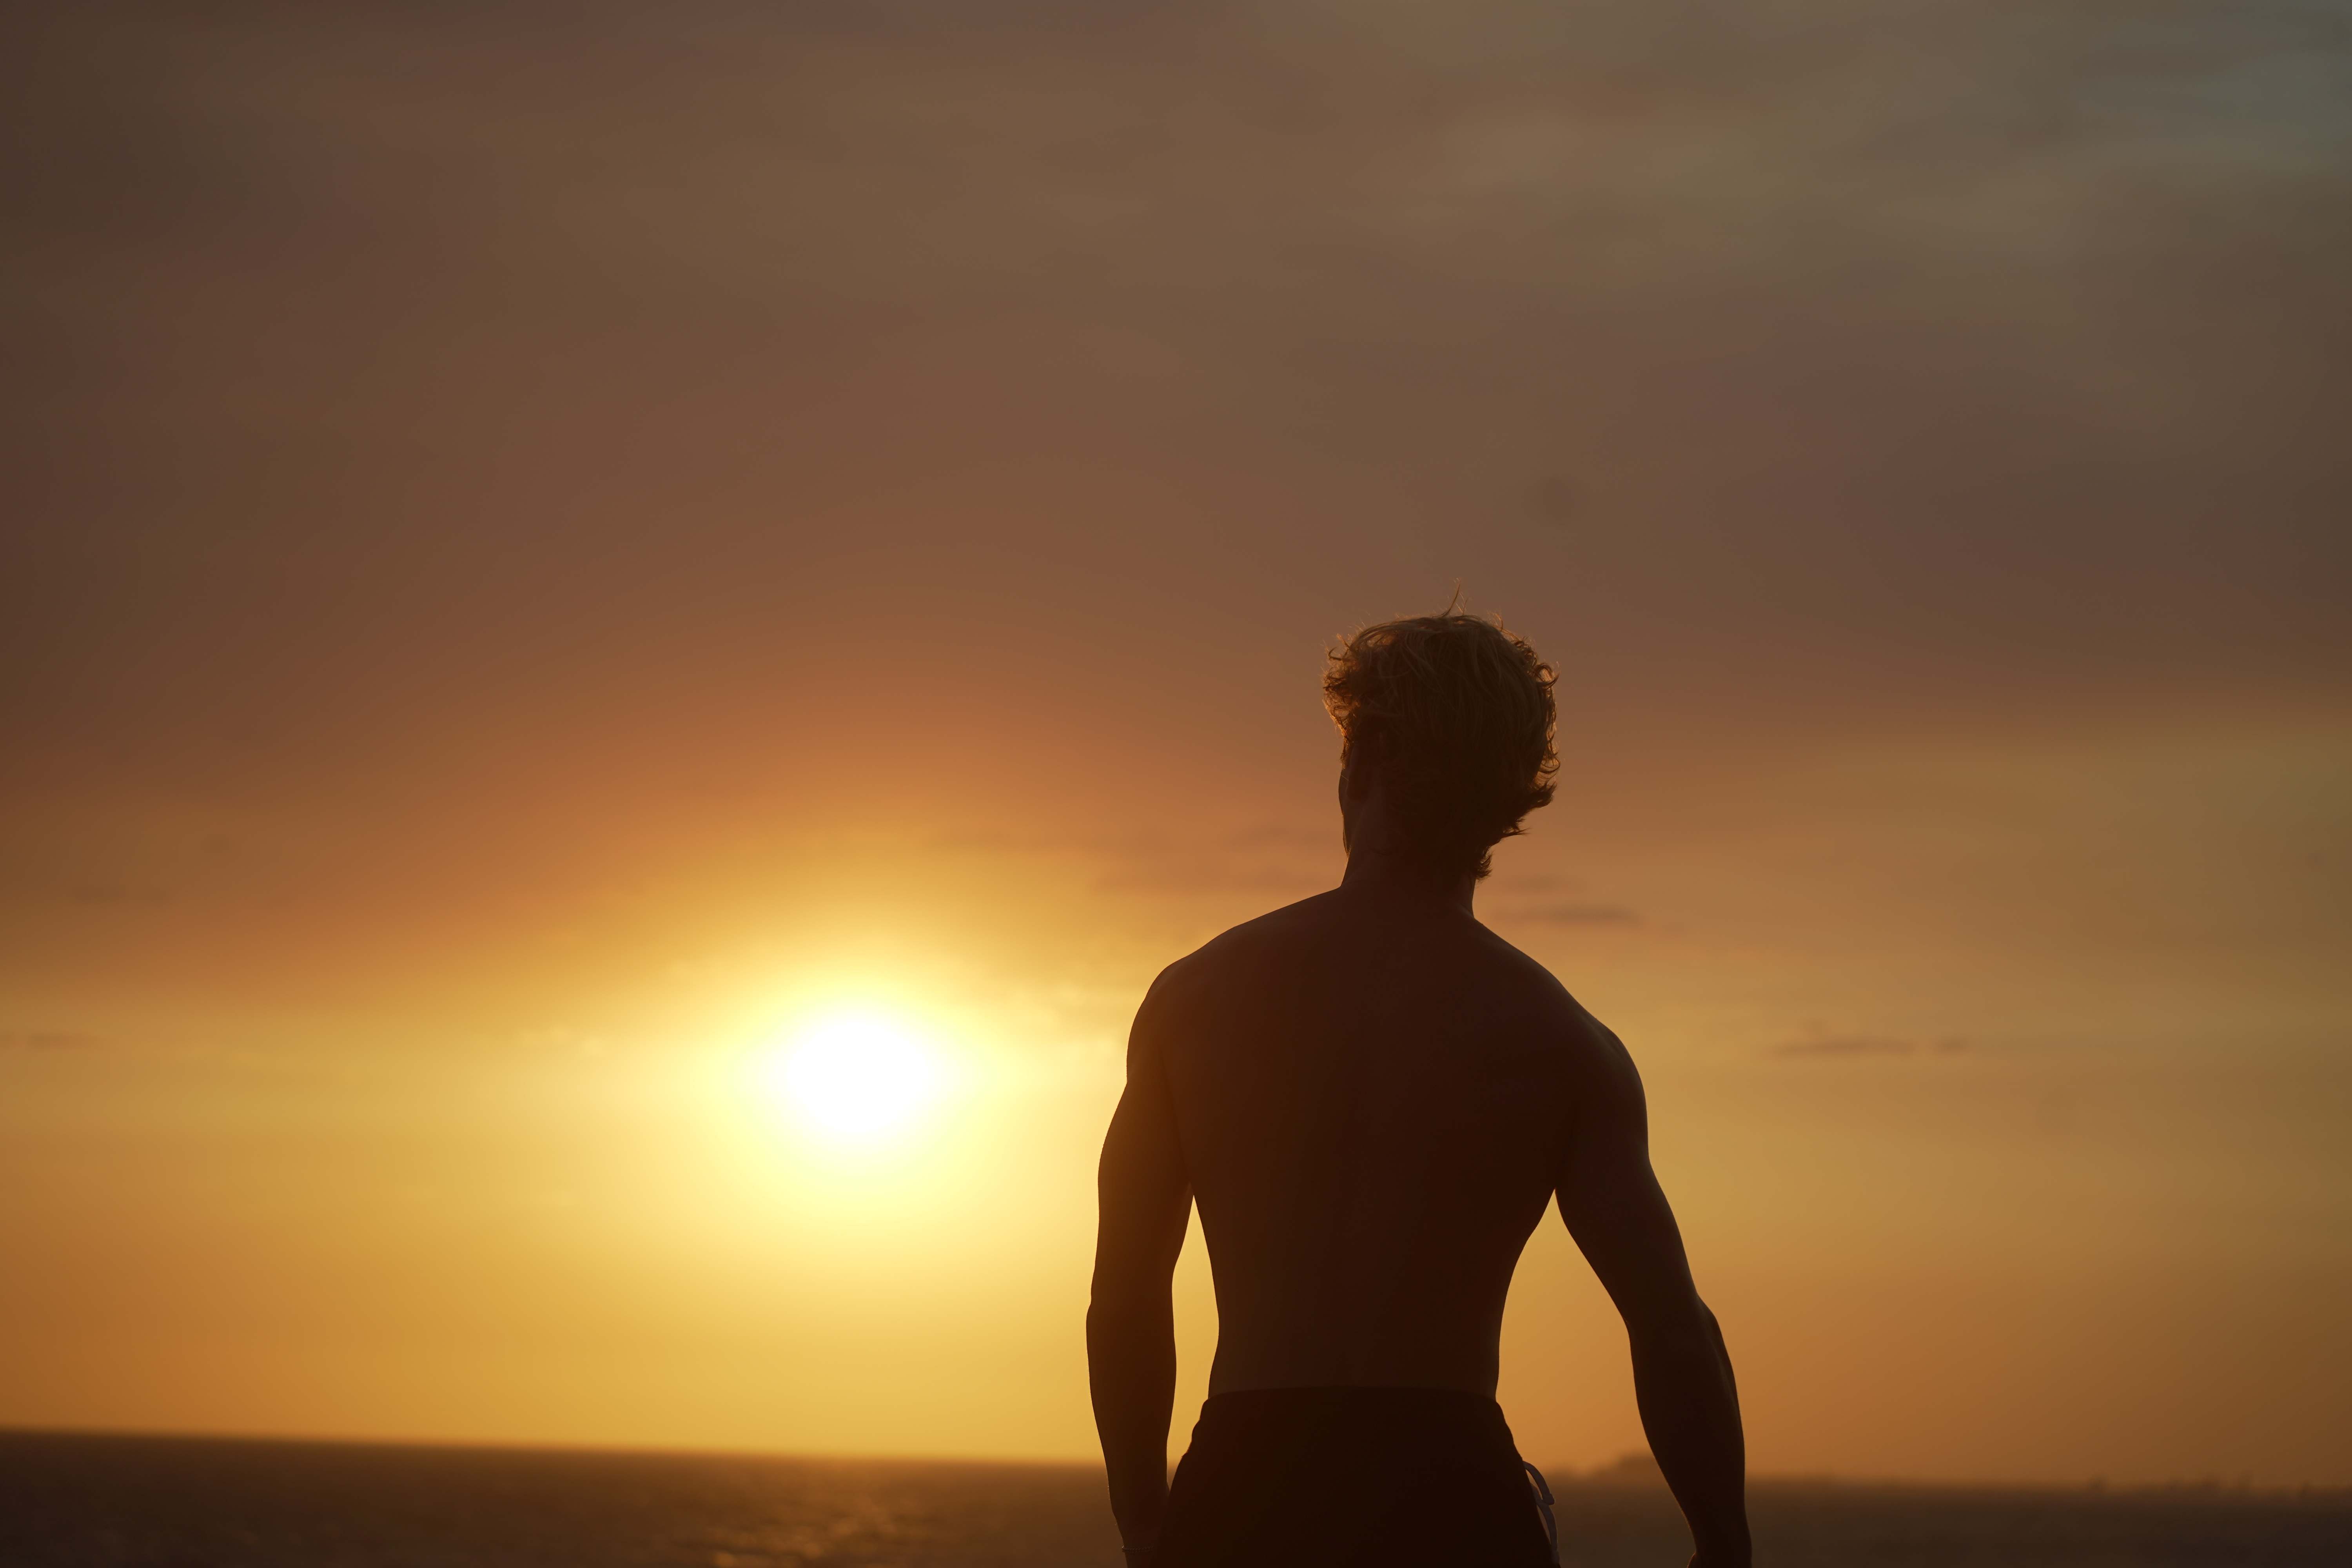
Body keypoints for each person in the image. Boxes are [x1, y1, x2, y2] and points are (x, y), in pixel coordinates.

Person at [1087, 610, 1750, 1568]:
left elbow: (1126, 1294)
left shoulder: (1194, 1000)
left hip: (1246, 1489)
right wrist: (1725, 1545)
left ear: (1362, 760)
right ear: (1509, 799)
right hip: (1450, 1495)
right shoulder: (1561, 1040)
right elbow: (1671, 1327)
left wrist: (1148, 1526)